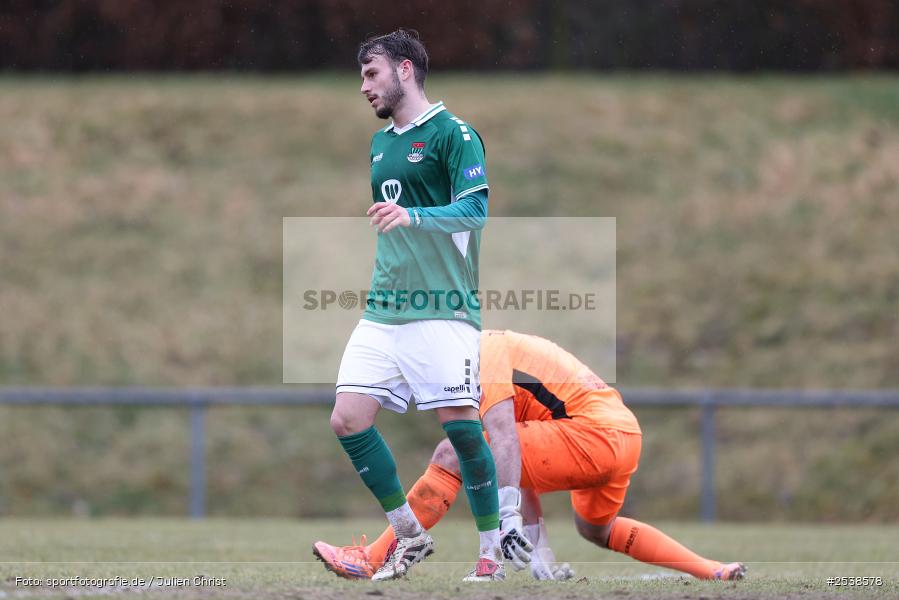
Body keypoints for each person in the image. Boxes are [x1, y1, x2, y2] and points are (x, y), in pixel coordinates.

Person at [325, 30, 525, 582]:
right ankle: (409, 536)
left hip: (443, 308)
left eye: (372, 74)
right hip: (384, 307)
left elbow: (474, 210)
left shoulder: (454, 134)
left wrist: (415, 217)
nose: (364, 86)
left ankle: (491, 552)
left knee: (461, 427)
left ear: (405, 70)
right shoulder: (381, 143)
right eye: (362, 76)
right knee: (347, 419)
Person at [316, 330, 747, 582]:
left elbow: (504, 441)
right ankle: (714, 571)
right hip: (622, 433)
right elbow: (519, 459)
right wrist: (538, 552)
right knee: (597, 530)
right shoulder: (486, 345)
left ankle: (373, 557)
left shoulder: (480, 353)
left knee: (453, 452)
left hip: (592, 434)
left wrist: (507, 520)